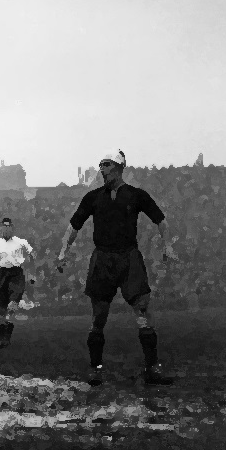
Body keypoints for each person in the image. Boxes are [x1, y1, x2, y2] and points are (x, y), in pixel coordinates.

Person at [56, 149, 175, 386]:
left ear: (120, 167)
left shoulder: (136, 195)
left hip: (129, 257)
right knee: (99, 316)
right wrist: (62, 252)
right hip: (102, 258)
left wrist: (168, 246)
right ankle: (96, 369)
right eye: (100, 165)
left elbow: (160, 220)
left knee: (142, 311)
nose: (102, 169)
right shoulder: (92, 197)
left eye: (107, 164)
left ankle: (152, 368)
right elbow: (74, 226)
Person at [0, 217, 36, 349]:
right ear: (1, 228)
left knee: (12, 305)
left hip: (16, 274)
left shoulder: (21, 242)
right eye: (4, 226)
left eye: (9, 226)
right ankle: (3, 339)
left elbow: (32, 256)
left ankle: (7, 338)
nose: (6, 228)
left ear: (12, 227)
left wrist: (32, 273)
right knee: (2, 309)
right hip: (3, 274)